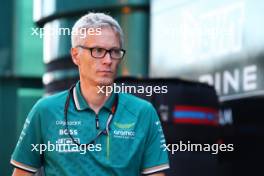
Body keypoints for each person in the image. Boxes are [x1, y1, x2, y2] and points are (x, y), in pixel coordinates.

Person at [11, 12, 169, 176]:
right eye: (98, 50)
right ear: (75, 55)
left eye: (114, 51)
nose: (108, 60)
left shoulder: (143, 112)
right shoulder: (45, 111)